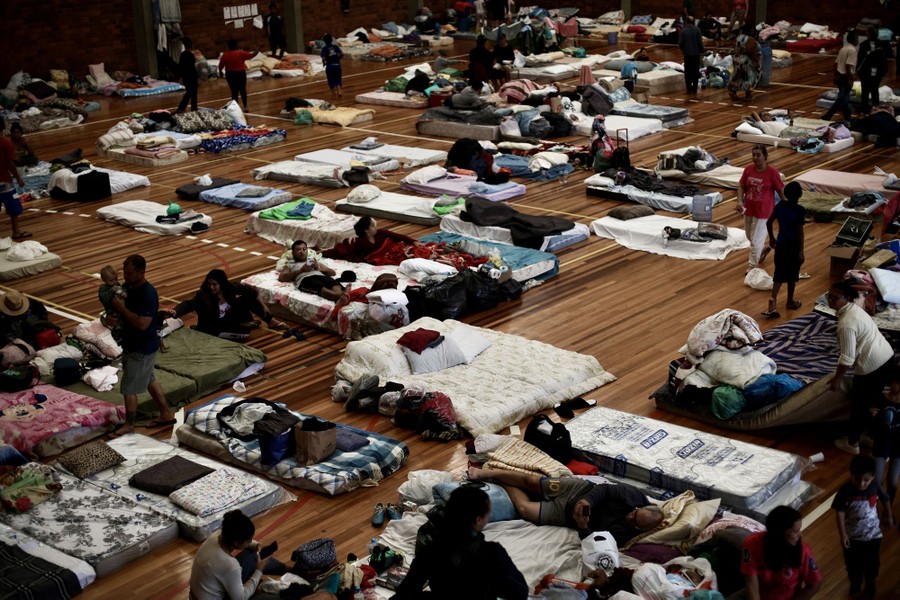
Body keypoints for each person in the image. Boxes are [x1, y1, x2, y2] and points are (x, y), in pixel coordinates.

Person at [392, 486, 528, 599]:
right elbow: (520, 592)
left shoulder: (431, 551)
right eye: (488, 512)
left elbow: (405, 593)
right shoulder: (491, 553)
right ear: (478, 520)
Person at [467, 467, 663, 545]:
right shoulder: (634, 496)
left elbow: (594, 542)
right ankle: (488, 472)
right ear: (642, 507)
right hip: (577, 490)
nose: (630, 517)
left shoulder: (625, 536)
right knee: (530, 481)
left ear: (639, 530)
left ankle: (501, 482)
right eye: (634, 513)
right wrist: (588, 501)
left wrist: (582, 526)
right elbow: (605, 489)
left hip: (566, 515)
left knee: (525, 510)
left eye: (635, 522)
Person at [190, 510, 333, 600]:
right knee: (275, 596)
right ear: (236, 542)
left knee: (253, 554)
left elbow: (247, 545)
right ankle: (301, 580)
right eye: (248, 540)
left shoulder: (216, 537)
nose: (250, 541)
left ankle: (292, 571)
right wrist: (258, 571)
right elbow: (241, 597)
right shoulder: (229, 565)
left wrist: (256, 545)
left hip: (199, 593)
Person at [826, 279, 896, 455]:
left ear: (847, 298)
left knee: (860, 405)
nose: (830, 300)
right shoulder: (855, 309)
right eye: (829, 296)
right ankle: (870, 435)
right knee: (873, 400)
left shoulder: (846, 323)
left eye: (835, 298)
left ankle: (852, 442)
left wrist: (837, 379)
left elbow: (847, 357)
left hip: (871, 366)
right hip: (886, 356)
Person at [109, 255, 174, 434]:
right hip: (133, 344)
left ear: (141, 272)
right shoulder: (128, 288)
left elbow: (142, 324)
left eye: (129, 273)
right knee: (150, 379)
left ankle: (129, 424)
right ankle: (166, 413)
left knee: (128, 388)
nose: (125, 276)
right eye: (124, 272)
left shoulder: (148, 294)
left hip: (141, 348)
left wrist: (122, 309)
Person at [832, 455, 894, 599]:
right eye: (856, 479)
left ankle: (870, 582)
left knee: (872, 563)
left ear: (873, 476)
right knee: (853, 564)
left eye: (866, 480)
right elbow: (839, 512)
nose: (861, 484)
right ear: (851, 474)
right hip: (852, 538)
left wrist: (889, 515)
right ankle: (856, 583)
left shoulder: (875, 486)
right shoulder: (845, 491)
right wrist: (843, 534)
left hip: (873, 536)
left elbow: (885, 499)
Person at [170, 269, 280, 340]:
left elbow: (253, 291)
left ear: (222, 283)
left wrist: (264, 306)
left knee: (248, 299)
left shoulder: (231, 288)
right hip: (214, 326)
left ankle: (270, 321)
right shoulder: (204, 295)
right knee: (237, 335)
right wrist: (176, 311)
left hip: (229, 320)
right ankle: (203, 330)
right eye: (209, 284)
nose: (211, 287)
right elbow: (188, 304)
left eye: (214, 284)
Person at [740, 505, 821, 600]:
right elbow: (751, 583)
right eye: (796, 531)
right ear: (779, 533)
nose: (800, 535)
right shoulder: (752, 545)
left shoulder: (803, 552)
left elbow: (814, 584)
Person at [737, 144, 784, 272]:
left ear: (765, 157)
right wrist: (739, 202)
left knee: (755, 241)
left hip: (764, 213)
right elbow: (741, 186)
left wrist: (788, 207)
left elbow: (781, 191)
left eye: (758, 155)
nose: (755, 158)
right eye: (753, 155)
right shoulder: (748, 170)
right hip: (749, 209)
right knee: (749, 236)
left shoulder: (772, 173)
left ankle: (751, 267)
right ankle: (762, 250)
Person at [763, 181, 805, 318]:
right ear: (800, 195)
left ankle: (773, 299)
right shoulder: (799, 211)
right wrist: (801, 251)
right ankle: (790, 301)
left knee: (779, 274)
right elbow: (800, 233)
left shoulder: (780, 206)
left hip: (781, 245)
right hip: (793, 246)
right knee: (793, 275)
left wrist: (772, 238)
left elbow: (769, 222)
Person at [277, 240, 349, 303]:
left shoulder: (311, 260)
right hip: (305, 279)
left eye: (304, 249)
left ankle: (338, 295)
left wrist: (319, 268)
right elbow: (282, 277)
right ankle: (339, 295)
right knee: (318, 285)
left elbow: (332, 273)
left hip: (320, 276)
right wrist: (301, 270)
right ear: (293, 253)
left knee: (333, 282)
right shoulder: (291, 263)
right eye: (298, 250)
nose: (302, 252)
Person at [873, 369, 900, 502]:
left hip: (898, 445)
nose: (896, 386)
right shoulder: (881, 399)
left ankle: (888, 508)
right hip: (881, 442)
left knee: (893, 482)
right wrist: (871, 415)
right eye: (894, 382)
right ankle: (883, 506)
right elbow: (872, 422)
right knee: (877, 481)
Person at [0, 117, 29, 241]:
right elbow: (9, 163)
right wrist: (18, 178)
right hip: (4, 181)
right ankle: (16, 231)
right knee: (13, 206)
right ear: (3, 128)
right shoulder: (6, 143)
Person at [349, 216, 421, 261]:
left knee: (418, 250)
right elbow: (357, 256)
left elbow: (398, 236)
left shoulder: (381, 232)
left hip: (395, 249)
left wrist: (413, 241)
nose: (376, 227)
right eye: (373, 226)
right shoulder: (360, 242)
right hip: (386, 257)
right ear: (366, 230)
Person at [822, 30, 857, 121]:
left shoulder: (843, 49)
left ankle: (847, 116)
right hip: (846, 77)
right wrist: (850, 78)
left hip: (840, 76)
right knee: (842, 99)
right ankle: (828, 115)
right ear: (853, 39)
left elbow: (835, 64)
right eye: (856, 38)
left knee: (844, 98)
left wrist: (835, 75)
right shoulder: (852, 50)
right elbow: (848, 65)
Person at [856, 26, 890, 116]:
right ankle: (876, 107)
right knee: (874, 89)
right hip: (877, 71)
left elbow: (860, 59)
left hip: (866, 71)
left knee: (865, 90)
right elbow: (885, 58)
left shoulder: (864, 44)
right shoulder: (882, 44)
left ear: (869, 34)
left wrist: (857, 70)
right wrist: (884, 70)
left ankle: (864, 109)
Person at [218, 38, 255, 109]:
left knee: (234, 91)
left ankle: (236, 108)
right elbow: (252, 55)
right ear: (236, 45)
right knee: (243, 90)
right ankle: (245, 106)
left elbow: (220, 66)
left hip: (230, 74)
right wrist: (259, 48)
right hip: (240, 73)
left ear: (228, 46)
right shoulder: (240, 53)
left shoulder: (225, 55)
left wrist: (220, 73)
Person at [728, 25, 760, 100]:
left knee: (736, 76)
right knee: (749, 77)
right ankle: (748, 94)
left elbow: (734, 47)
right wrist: (756, 62)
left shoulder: (737, 38)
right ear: (750, 31)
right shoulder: (750, 40)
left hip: (737, 59)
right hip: (746, 61)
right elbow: (752, 51)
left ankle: (733, 91)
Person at [678, 17, 704, 95]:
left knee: (688, 72)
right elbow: (700, 42)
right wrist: (701, 51)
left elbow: (680, 43)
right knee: (695, 71)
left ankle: (689, 89)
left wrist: (683, 50)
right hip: (696, 54)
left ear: (686, 22)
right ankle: (695, 89)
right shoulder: (698, 30)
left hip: (687, 54)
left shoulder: (683, 31)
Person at [176, 36, 199, 113]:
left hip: (186, 77)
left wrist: (180, 77)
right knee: (193, 94)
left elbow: (180, 67)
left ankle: (181, 108)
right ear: (191, 45)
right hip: (192, 77)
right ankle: (193, 109)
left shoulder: (182, 55)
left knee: (189, 92)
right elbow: (193, 68)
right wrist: (197, 78)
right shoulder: (191, 55)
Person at [320, 34, 343, 99]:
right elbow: (342, 54)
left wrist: (324, 63)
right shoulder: (335, 47)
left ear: (324, 41)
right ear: (332, 40)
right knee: (338, 79)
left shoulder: (324, 49)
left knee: (331, 80)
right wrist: (338, 58)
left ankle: (333, 94)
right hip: (337, 65)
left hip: (330, 65)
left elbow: (323, 58)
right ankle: (340, 91)